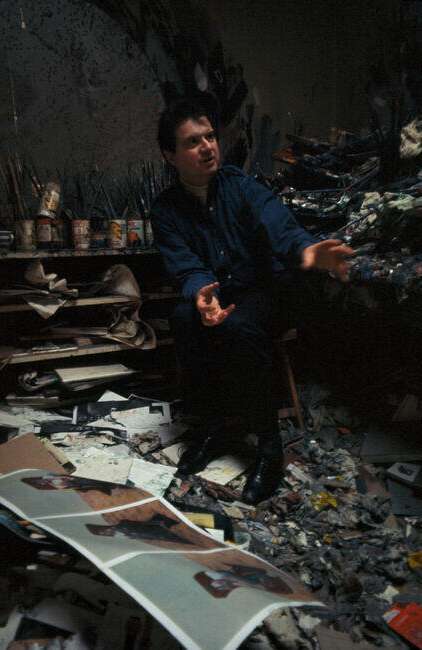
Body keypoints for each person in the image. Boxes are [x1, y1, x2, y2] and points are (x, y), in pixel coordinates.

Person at [149, 97, 354, 505]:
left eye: (210, 136)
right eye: (192, 142)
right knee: (183, 319)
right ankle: (213, 426)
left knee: (239, 325)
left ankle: (268, 447)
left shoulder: (240, 186)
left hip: (265, 291)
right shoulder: (165, 209)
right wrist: (202, 295)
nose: (207, 147)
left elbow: (279, 226)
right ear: (171, 156)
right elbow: (186, 266)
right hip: (219, 293)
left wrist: (307, 251)